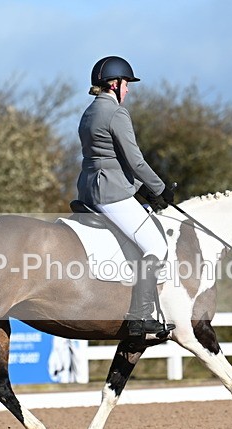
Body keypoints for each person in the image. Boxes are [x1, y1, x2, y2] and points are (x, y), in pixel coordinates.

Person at [76, 55, 175, 338]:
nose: (129, 89)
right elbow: (135, 161)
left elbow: (108, 157)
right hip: (111, 192)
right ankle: (140, 316)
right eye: (126, 84)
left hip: (89, 188)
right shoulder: (117, 113)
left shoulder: (89, 111)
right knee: (156, 245)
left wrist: (140, 189)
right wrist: (160, 189)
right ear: (114, 84)